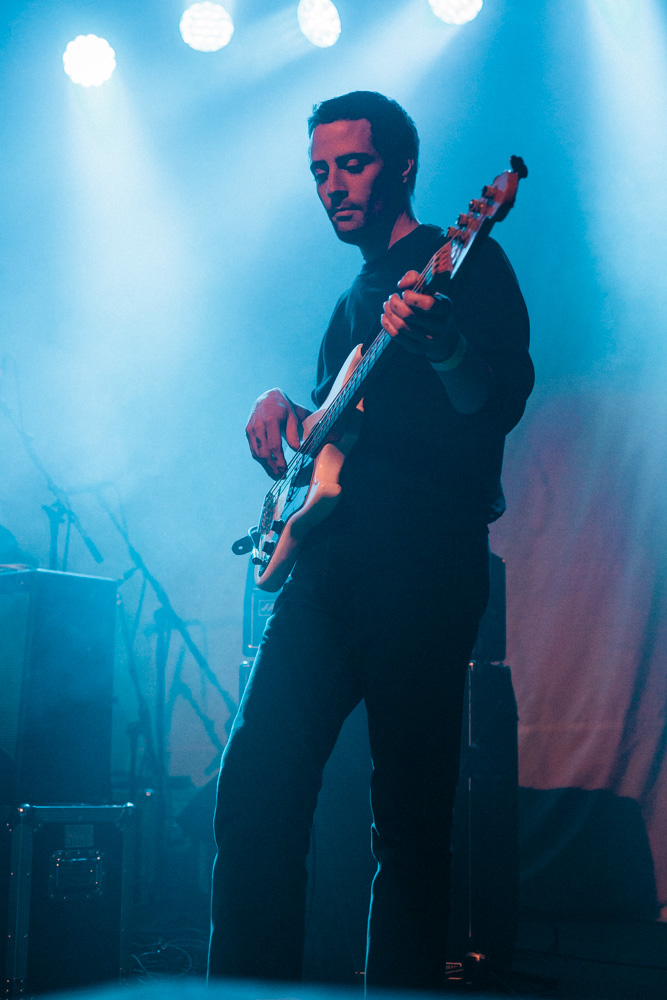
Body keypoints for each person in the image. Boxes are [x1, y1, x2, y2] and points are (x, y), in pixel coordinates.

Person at [208, 90, 533, 990]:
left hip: (421, 574)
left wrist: (442, 347)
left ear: (401, 167)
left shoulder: (465, 264)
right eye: (319, 171)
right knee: (254, 795)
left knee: (410, 827)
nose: (332, 187)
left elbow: (492, 404)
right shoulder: (353, 299)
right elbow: (329, 440)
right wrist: (285, 405)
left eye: (350, 164)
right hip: (325, 575)